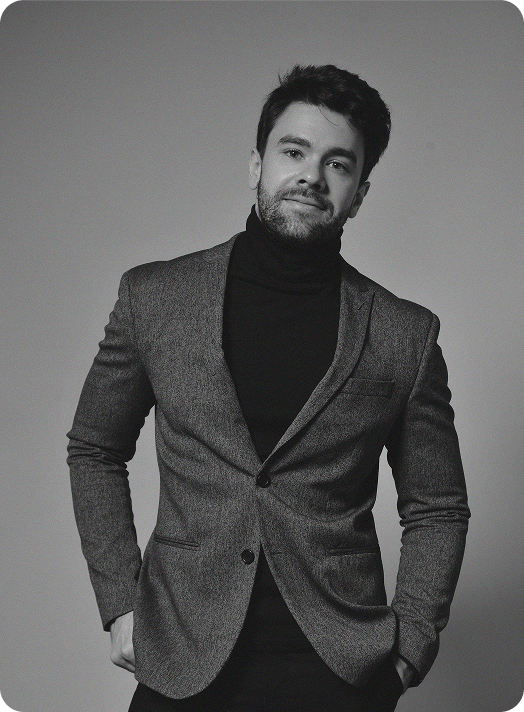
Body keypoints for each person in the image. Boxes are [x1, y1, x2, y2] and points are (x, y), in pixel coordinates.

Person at [67, 65, 470, 712]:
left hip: (339, 674)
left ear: (359, 194)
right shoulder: (156, 299)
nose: (312, 176)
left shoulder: (404, 335)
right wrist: (118, 600)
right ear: (257, 165)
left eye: (338, 164)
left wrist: (410, 647)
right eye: (294, 152)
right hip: (183, 660)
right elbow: (94, 448)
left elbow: (437, 506)